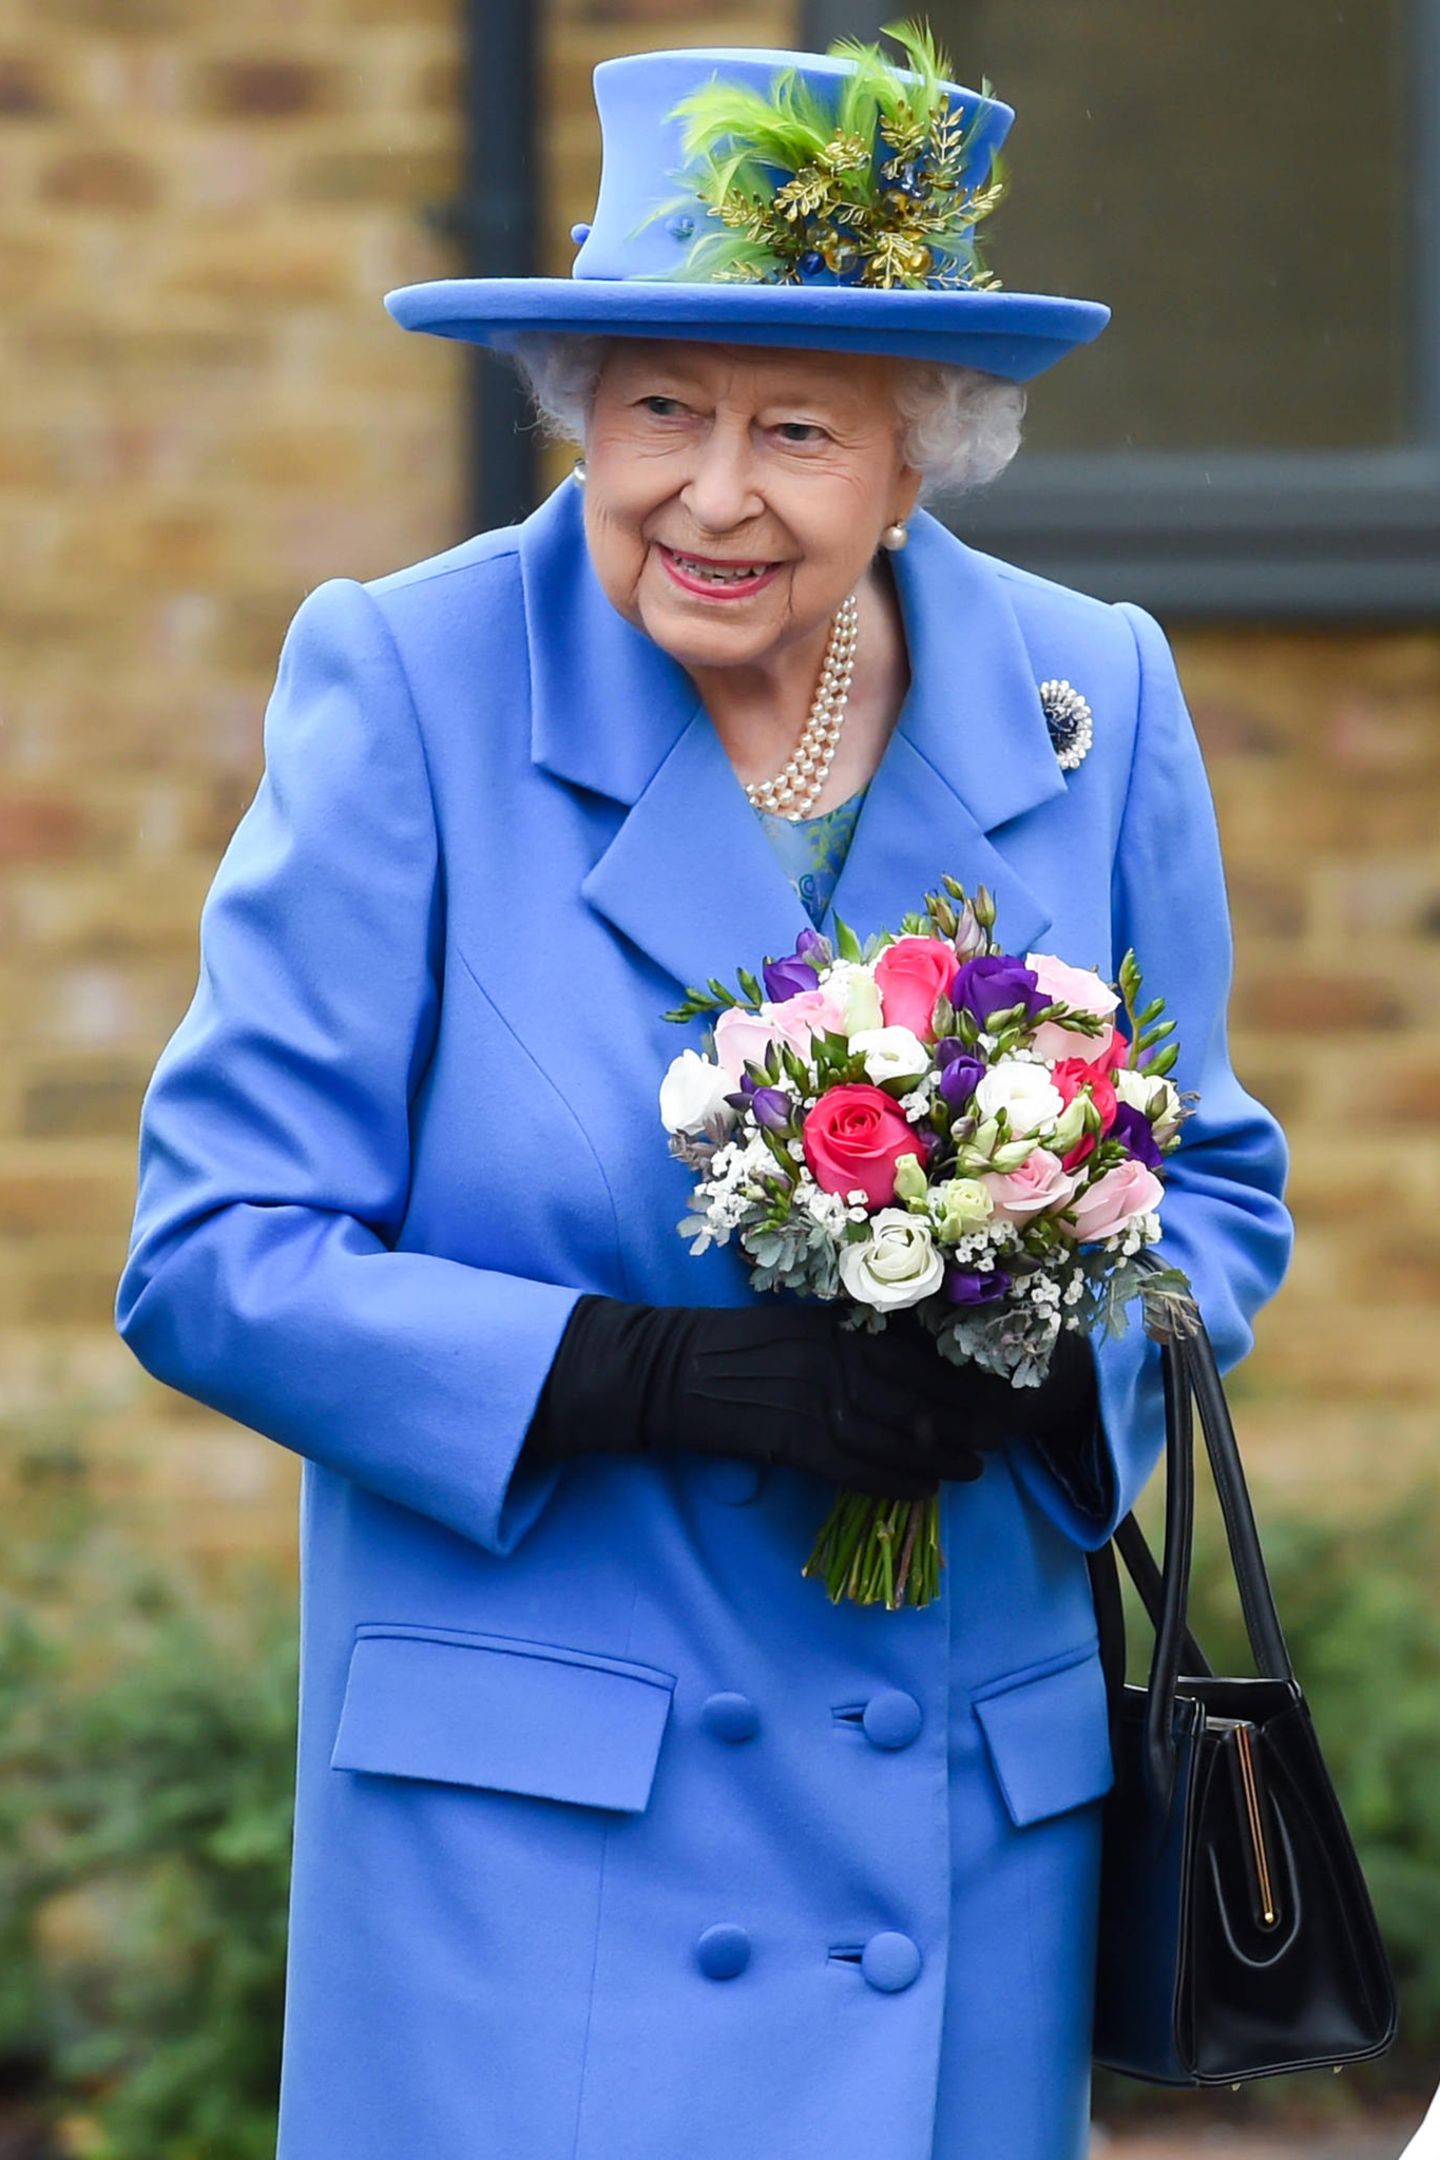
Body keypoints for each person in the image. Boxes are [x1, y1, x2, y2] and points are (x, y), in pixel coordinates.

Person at [114, 30, 1293, 2160]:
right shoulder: (414, 682)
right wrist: (647, 1375)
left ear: (921, 454)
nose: (714, 492)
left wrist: (1052, 1371)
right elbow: (211, 1259)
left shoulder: (1088, 692)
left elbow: (1209, 1181)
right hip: (541, 1856)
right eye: (660, 406)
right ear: (582, 411)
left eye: (797, 429)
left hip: (954, 1837)